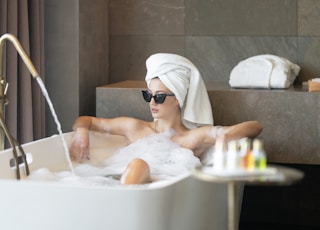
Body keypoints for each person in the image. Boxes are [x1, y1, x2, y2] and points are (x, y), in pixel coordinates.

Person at [70, 53, 263, 185]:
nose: (152, 102)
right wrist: (82, 133)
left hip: (158, 190)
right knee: (137, 165)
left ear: (178, 100)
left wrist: (225, 136)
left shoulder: (190, 139)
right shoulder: (134, 127)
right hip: (114, 180)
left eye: (160, 97)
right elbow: (85, 120)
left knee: (139, 164)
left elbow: (255, 126)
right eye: (148, 95)